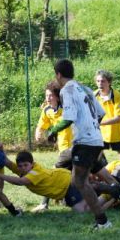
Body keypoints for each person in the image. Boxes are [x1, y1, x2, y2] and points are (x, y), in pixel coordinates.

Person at [46, 59, 112, 230]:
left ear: (58, 74)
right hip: (96, 139)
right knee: (77, 181)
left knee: (81, 182)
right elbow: (101, 113)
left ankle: (103, 219)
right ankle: (115, 190)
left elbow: (69, 117)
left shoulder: (67, 90)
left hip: (85, 141)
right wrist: (92, 126)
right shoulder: (86, 88)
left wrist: (53, 131)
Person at [0, 151, 115, 213]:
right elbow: (8, 163)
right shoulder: (24, 169)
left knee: (84, 211)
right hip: (63, 182)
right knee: (87, 188)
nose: (22, 168)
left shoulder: (35, 173)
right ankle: (107, 188)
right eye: (20, 166)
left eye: (26, 165)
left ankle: (110, 195)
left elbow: (20, 182)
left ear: (32, 163)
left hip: (66, 184)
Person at [32, 81, 74, 212]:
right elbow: (41, 125)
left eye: (50, 95)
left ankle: (45, 203)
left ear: (57, 96)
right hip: (63, 149)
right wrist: (38, 133)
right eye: (46, 96)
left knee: (53, 174)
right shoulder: (47, 110)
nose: (48, 98)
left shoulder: (67, 108)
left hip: (74, 146)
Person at [94, 70, 120, 168]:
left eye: (103, 81)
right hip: (101, 134)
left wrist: (99, 123)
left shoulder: (117, 96)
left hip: (117, 133)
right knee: (96, 158)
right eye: (98, 81)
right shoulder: (93, 96)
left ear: (109, 82)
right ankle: (104, 176)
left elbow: (118, 118)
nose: (100, 84)